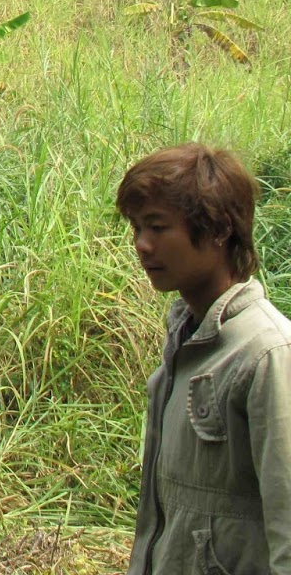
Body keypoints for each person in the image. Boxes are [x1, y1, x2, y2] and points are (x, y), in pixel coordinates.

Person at [118, 143, 290, 575]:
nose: (142, 245)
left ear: (219, 229)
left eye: (158, 227)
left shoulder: (267, 353)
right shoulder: (186, 341)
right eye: (137, 227)